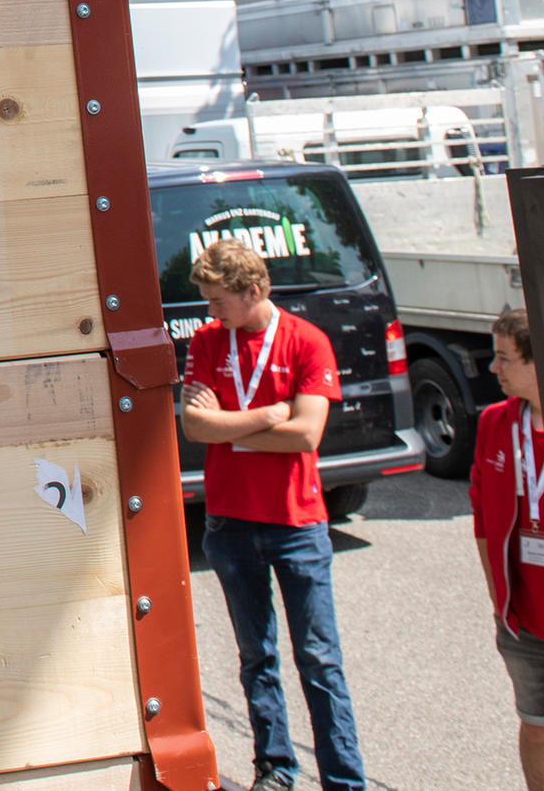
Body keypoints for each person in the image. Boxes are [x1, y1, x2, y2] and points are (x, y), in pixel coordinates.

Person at [178, 239, 363, 791]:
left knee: (318, 658)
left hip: (295, 524)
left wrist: (232, 426)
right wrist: (266, 416)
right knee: (255, 655)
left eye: (217, 301)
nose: (209, 311)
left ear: (252, 291)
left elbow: (307, 433)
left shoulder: (308, 341)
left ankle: (343, 778)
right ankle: (275, 767)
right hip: (230, 523)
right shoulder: (210, 341)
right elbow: (195, 428)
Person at [471, 307, 544, 791]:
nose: (493, 369)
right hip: (527, 628)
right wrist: (500, 601)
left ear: (540, 363)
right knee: (537, 731)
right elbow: (482, 519)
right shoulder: (495, 422)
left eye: (504, 358)